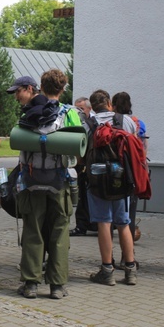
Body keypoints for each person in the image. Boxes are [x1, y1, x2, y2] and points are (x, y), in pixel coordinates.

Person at [15, 70, 81, 300]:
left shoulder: (28, 113)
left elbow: (21, 149)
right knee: (59, 233)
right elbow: (77, 152)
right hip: (59, 182)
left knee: (33, 231)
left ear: (40, 87)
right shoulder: (70, 113)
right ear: (63, 89)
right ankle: (57, 286)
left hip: (32, 182)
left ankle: (31, 284)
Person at [86, 89, 138, 287]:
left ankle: (107, 270)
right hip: (121, 178)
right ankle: (130, 270)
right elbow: (135, 145)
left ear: (92, 107)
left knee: (104, 223)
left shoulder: (88, 123)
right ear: (109, 103)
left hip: (98, 179)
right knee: (123, 223)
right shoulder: (126, 121)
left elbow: (81, 151)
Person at [111, 91, 147, 241]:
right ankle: (129, 253)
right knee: (129, 213)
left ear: (113, 105)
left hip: (113, 167)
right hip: (130, 168)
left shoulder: (110, 120)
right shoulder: (134, 122)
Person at [70, 95, 96, 237]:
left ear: (89, 108)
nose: (78, 111)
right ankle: (85, 225)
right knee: (83, 196)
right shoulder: (79, 121)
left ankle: (85, 225)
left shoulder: (90, 122)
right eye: (76, 108)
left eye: (80, 108)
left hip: (88, 164)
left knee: (87, 196)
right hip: (82, 164)